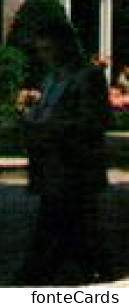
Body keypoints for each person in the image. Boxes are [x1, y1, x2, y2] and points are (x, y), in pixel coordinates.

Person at [17, 19, 113, 285]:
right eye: (41, 51)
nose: (45, 57)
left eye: (49, 50)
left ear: (64, 47)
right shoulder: (51, 79)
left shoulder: (88, 77)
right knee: (72, 237)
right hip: (52, 169)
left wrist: (50, 128)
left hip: (75, 170)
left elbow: (96, 120)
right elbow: (46, 112)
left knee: (64, 235)